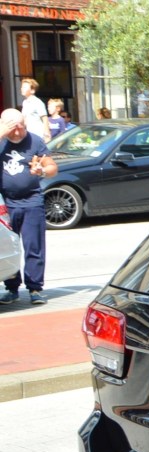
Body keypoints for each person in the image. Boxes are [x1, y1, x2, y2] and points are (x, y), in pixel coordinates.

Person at [0, 108, 57, 306]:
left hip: (32, 200)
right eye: (12, 129)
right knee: (9, 246)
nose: (17, 132)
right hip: (6, 202)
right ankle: (11, 288)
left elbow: (52, 167)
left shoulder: (35, 141)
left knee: (34, 245)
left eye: (21, 127)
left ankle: (34, 288)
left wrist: (42, 170)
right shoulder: (1, 140)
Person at [19, 78, 49, 142]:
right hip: (28, 133)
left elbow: (44, 118)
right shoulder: (25, 102)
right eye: (22, 87)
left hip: (38, 134)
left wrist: (46, 133)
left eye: (24, 87)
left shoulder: (37, 102)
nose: (22, 89)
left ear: (32, 90)